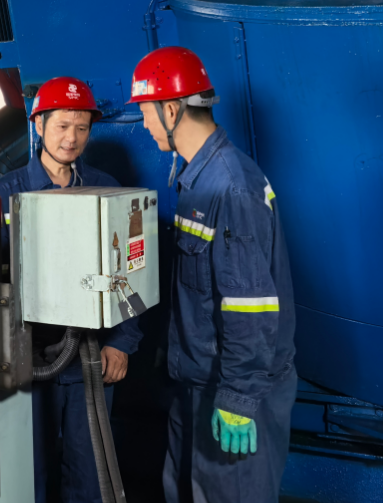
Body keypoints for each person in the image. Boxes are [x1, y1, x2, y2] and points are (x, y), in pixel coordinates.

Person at [128, 46, 296, 503]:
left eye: (145, 111)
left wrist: (238, 398)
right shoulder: (197, 179)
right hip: (197, 383)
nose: (144, 123)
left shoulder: (229, 186)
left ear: (170, 109)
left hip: (232, 391)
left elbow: (250, 306)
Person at [0, 77, 143, 503]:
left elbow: (129, 273)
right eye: (61, 126)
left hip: (90, 356)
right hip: (27, 358)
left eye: (81, 128)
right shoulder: (4, 194)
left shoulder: (108, 188)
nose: (71, 138)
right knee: (27, 471)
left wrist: (122, 343)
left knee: (90, 471)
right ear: (38, 124)